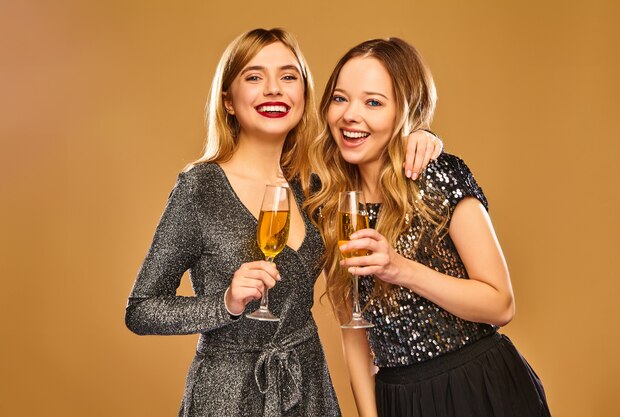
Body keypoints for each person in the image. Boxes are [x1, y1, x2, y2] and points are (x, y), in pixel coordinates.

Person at [125, 28, 442, 417]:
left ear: (304, 95)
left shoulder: (319, 185)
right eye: (255, 77)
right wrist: (223, 303)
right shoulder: (198, 188)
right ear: (228, 100)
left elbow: (377, 140)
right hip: (227, 395)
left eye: (288, 76)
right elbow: (141, 310)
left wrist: (421, 134)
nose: (274, 89)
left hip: (307, 387)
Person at [306, 38, 551, 417]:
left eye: (373, 102)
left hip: (478, 387)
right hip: (399, 399)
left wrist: (401, 270)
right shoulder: (330, 201)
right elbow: (352, 331)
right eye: (340, 98)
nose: (350, 115)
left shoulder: (436, 176)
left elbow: (501, 304)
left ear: (404, 111)